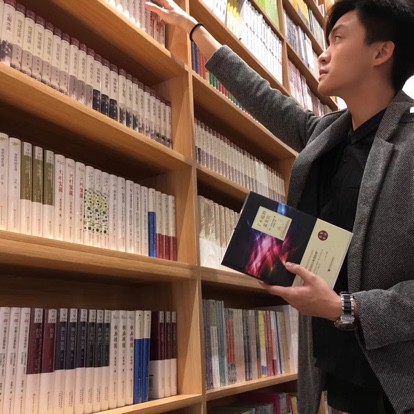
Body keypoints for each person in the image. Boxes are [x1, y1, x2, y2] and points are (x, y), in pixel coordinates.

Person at [146, 0, 414, 412]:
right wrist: (194, 30)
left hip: (398, 386)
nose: (323, 54)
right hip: (335, 376)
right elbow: (263, 98)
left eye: (338, 38)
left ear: (382, 52)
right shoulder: (326, 134)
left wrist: (347, 307)